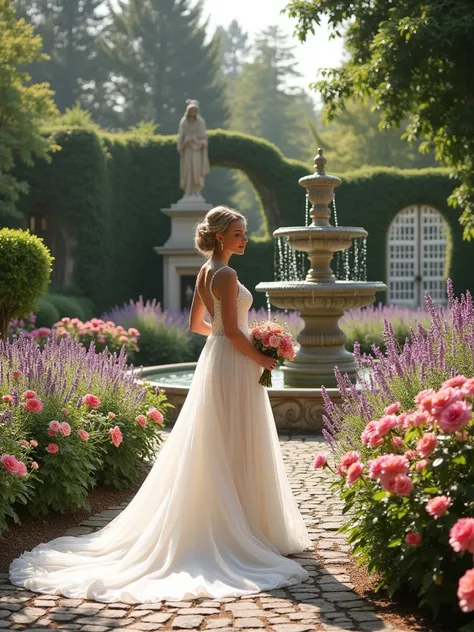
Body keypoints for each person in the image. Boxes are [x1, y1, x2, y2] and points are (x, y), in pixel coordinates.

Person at [9, 206, 312, 604]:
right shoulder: (227, 274)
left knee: (220, 438)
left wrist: (233, 337)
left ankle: (243, 523)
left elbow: (199, 326)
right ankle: (245, 528)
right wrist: (260, 354)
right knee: (236, 437)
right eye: (239, 233)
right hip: (234, 362)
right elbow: (234, 331)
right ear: (221, 236)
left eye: (244, 232)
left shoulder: (206, 271)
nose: (245, 238)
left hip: (217, 357)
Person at [177, 99, 210, 198]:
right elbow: (180, 138)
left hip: (197, 151)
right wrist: (185, 142)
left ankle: (196, 190)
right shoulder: (184, 122)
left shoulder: (201, 122)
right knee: (187, 169)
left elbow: (204, 139)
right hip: (187, 150)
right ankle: (188, 190)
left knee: (196, 170)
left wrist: (195, 140)